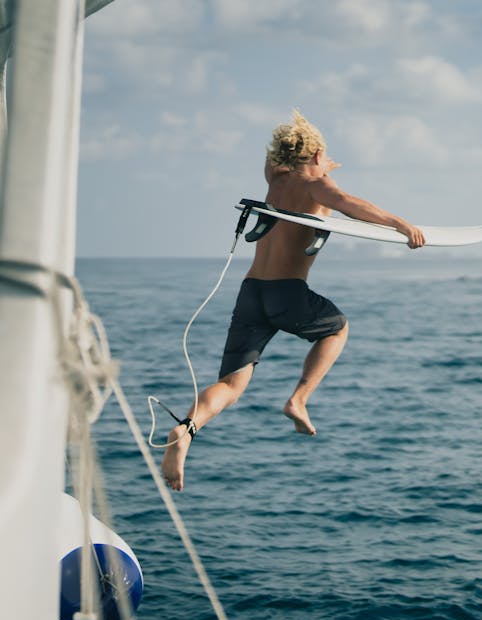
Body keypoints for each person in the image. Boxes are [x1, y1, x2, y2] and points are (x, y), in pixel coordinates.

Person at [161, 110, 425, 491]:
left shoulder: (276, 179)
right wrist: (402, 225)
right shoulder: (316, 189)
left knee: (231, 386)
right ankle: (299, 399)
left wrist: (314, 158)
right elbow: (351, 203)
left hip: (252, 292)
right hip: (287, 292)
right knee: (337, 329)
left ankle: (186, 429)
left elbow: (279, 159)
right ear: (316, 155)